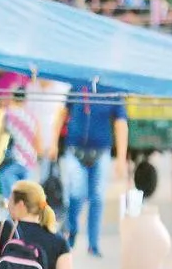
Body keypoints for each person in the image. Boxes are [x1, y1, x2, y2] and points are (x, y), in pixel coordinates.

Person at [49, 96, 128, 257]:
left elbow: (121, 123)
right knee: (76, 193)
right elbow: (62, 112)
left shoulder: (112, 90)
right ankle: (71, 231)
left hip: (101, 151)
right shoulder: (79, 82)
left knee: (97, 198)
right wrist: (53, 143)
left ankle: (93, 244)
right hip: (75, 148)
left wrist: (121, 158)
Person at [0, 90, 42, 194]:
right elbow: (38, 141)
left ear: (13, 98)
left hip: (15, 159)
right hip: (30, 160)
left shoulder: (8, 113)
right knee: (27, 196)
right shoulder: (32, 117)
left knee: (11, 194)